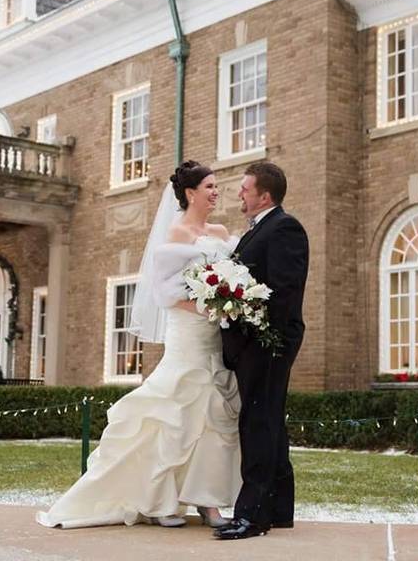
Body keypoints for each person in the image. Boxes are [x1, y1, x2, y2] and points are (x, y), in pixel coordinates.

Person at [35, 161, 241, 529]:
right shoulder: (176, 235)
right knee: (173, 416)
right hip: (187, 336)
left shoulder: (221, 232)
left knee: (212, 416)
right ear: (190, 193)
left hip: (213, 339)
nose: (216, 192)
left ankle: (208, 503)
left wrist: (229, 301)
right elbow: (165, 294)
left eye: (216, 186)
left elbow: (231, 277)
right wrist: (208, 306)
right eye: (209, 186)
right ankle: (159, 501)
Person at [214, 162, 309, 541]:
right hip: (254, 343)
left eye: (245, 188)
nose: (240, 193)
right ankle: (279, 510)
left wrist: (259, 337)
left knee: (258, 425)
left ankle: (252, 517)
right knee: (268, 424)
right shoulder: (257, 231)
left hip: (268, 344)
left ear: (264, 195)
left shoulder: (284, 228)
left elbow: (284, 291)